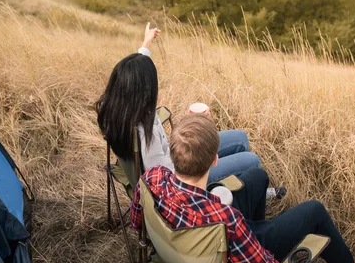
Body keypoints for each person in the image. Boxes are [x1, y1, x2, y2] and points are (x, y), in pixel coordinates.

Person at [131, 114, 355, 263]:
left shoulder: (152, 177)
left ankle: (259, 235)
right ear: (215, 160)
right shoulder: (226, 220)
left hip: (185, 247)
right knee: (314, 210)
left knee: (256, 176)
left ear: (174, 155)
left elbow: (136, 222)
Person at [97, 22, 273, 186]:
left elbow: (133, 73)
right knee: (251, 160)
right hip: (183, 176)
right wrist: (192, 132)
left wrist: (146, 43)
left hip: (176, 155)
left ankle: (241, 188)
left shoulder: (115, 108)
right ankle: (241, 194)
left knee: (240, 137)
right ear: (143, 92)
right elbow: (162, 177)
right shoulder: (145, 132)